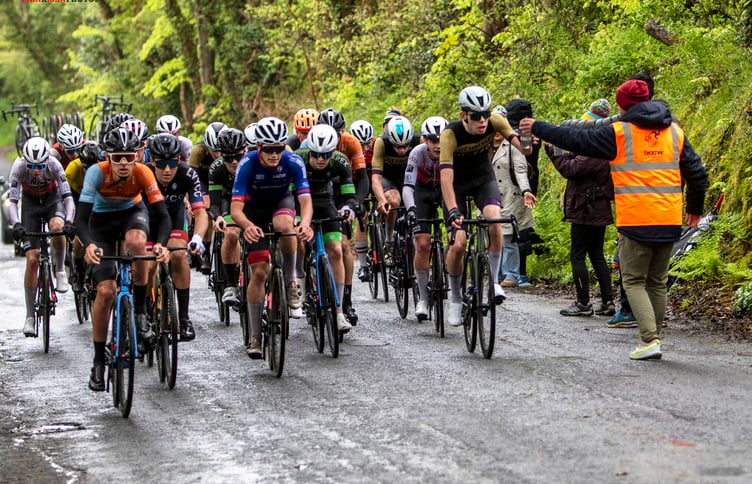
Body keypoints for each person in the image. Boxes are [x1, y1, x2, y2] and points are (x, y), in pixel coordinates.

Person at [519, 79, 708, 360]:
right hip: (669, 217)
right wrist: (693, 207)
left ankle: (649, 339)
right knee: (657, 280)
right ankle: (655, 336)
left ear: (622, 106)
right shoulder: (675, 131)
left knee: (633, 280)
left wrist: (537, 127)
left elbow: (574, 139)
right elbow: (697, 173)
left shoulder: (619, 133)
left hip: (636, 219)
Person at [76, 127, 170, 391]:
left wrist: (161, 245)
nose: (125, 163)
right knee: (105, 291)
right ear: (108, 157)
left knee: (138, 244)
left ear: (137, 156)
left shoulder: (143, 172)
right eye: (118, 158)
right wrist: (89, 245)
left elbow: (162, 216)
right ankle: (97, 361)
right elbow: (81, 220)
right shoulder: (96, 173)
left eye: (130, 157)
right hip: (101, 224)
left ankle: (139, 311)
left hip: (132, 215)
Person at [440, 85, 532, 327]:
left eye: (485, 114)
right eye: (476, 116)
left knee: (495, 221)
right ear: (463, 116)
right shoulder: (450, 134)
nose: (482, 121)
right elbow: (446, 178)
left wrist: (526, 134)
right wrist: (452, 211)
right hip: (456, 185)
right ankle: (456, 299)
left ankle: (492, 282)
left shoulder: (496, 121)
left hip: (482, 179)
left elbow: (525, 149)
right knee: (458, 243)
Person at [230, 116, 313, 358]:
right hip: (253, 210)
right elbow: (235, 209)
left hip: (280, 202)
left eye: (279, 149)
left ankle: (290, 281)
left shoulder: (293, 161)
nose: (274, 155)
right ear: (258, 148)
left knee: (286, 227)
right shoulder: (246, 163)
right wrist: (246, 225)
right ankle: (255, 336)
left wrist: (305, 225)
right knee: (258, 272)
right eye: (269, 150)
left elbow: (305, 200)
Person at [545, 100, 615, 317]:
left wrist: (552, 151)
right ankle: (607, 302)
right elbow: (575, 160)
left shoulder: (595, 148)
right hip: (596, 207)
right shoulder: (602, 144)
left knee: (578, 255)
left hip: (587, 208)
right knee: (597, 256)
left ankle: (584, 302)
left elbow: (571, 168)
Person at [145, 133, 209, 341]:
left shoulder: (187, 174)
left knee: (179, 255)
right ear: (152, 160)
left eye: (172, 163)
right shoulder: (142, 173)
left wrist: (198, 238)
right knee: (147, 265)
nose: (167, 170)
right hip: (146, 221)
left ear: (179, 161)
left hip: (173, 218)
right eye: (162, 164)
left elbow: (200, 212)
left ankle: (184, 317)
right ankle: (145, 313)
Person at [10, 137, 76, 336]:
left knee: (57, 226)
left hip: (51, 199)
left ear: (47, 160)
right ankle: (30, 316)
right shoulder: (19, 167)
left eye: (40, 165)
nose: (36, 170)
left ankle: (59, 271)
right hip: (30, 204)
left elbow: (68, 198)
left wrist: (70, 222)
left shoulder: (55, 164)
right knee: (32, 260)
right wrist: (17, 225)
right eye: (31, 165)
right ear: (25, 162)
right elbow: (13, 201)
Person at [296, 124, 358, 332]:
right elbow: (287, 195)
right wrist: (296, 219)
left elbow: (348, 193)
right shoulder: (298, 160)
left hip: (324, 200)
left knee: (336, 249)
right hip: (298, 200)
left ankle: (339, 311)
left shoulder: (340, 161)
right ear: (309, 150)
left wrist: (349, 208)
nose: (321, 159)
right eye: (316, 154)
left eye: (325, 155)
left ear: (333, 152)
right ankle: (303, 288)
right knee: (298, 241)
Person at [315, 108, 369, 325]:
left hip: (344, 190)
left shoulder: (351, 143)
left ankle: (345, 300)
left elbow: (363, 178)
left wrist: (356, 203)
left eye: (336, 134)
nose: (332, 138)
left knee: (343, 246)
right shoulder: (311, 144)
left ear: (342, 132)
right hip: (320, 191)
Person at [402, 116, 447, 321]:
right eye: (433, 140)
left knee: (459, 238)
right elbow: (408, 187)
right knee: (422, 243)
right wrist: (411, 209)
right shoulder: (416, 154)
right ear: (425, 141)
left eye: (441, 140)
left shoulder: (452, 152)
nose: (438, 145)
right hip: (421, 193)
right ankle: (422, 297)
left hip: (445, 191)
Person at [489, 113, 536, 288]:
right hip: (489, 197)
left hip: (510, 196)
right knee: (493, 235)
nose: (497, 132)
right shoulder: (483, 146)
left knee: (507, 237)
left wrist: (526, 191)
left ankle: (511, 274)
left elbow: (521, 170)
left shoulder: (513, 145)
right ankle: (497, 274)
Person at [371, 115, 421, 264]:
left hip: (409, 177)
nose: (402, 150)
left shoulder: (418, 141)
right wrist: (381, 199)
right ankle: (389, 242)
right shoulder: (382, 143)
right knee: (393, 200)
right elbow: (376, 178)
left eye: (405, 146)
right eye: (398, 146)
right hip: (389, 178)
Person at [208, 128, 247, 307]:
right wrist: (217, 218)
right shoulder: (216, 169)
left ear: (245, 152)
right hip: (228, 200)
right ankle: (230, 285)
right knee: (231, 234)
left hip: (249, 199)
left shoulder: (252, 163)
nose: (233, 162)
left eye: (237, 157)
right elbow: (215, 202)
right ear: (220, 155)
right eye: (227, 158)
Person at [504, 99, 541, 286]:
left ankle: (519, 273)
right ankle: (517, 272)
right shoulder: (531, 132)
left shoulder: (523, 134)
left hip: (518, 183)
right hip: (524, 182)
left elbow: (525, 152)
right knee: (518, 226)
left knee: (518, 228)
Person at [65, 141, 103, 292]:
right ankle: (79, 273)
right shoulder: (73, 168)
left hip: (96, 198)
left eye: (94, 168)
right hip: (76, 197)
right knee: (78, 239)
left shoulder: (105, 169)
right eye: (86, 168)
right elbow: (64, 195)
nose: (90, 172)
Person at [190, 121, 227, 274]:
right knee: (206, 210)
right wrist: (201, 197)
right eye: (213, 151)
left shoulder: (229, 148)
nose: (217, 155)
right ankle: (206, 253)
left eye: (220, 151)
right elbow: (192, 178)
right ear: (207, 147)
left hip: (222, 180)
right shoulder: (198, 151)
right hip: (204, 180)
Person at [349, 120, 376, 282]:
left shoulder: (377, 145)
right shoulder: (349, 147)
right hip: (357, 181)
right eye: (361, 144)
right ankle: (363, 264)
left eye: (367, 144)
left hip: (375, 179)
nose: (365, 149)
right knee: (362, 217)